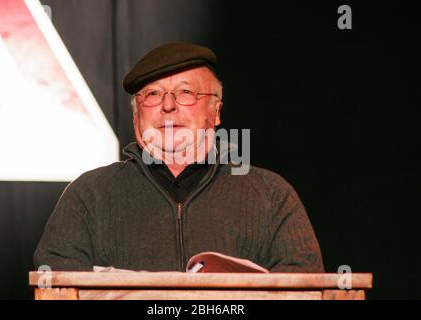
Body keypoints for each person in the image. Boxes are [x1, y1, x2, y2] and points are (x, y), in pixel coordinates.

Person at [34, 42, 324, 272]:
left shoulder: (271, 195)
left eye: (185, 92)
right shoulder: (88, 196)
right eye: (153, 94)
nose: (169, 106)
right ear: (136, 116)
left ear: (216, 112)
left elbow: (306, 285)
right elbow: (55, 284)